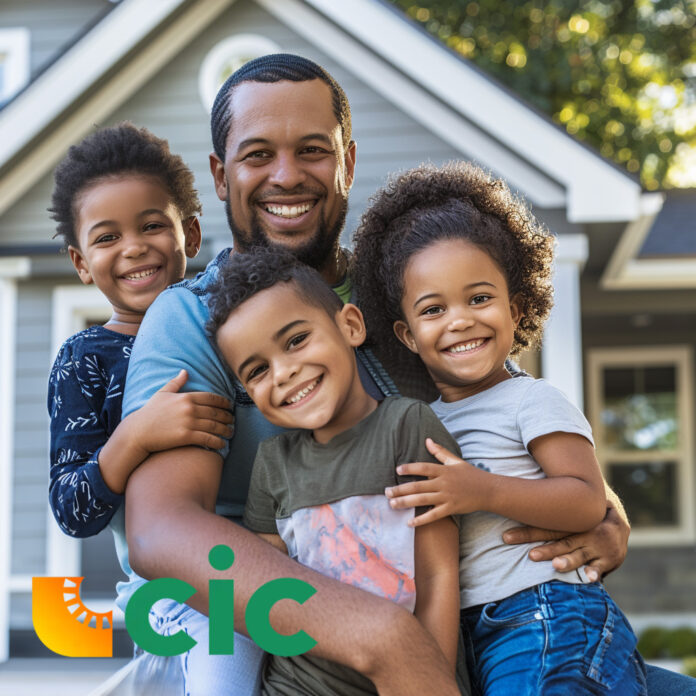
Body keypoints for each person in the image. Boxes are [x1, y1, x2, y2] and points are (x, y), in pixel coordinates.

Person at [120, 53, 654, 694]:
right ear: (219, 174)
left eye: (312, 150)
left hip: (467, 616)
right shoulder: (193, 316)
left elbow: (509, 415)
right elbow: (161, 531)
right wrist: (378, 636)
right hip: (281, 641)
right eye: (258, 155)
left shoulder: (410, 300)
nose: (286, 176)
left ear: (346, 161)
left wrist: (604, 513)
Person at [351, 161, 647, 694]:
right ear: (408, 335)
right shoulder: (420, 421)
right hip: (468, 631)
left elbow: (585, 502)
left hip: (546, 615)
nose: (460, 319)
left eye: (480, 298)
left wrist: (481, 489)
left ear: (515, 308)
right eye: (434, 309)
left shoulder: (531, 400)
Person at [206, 247, 463, 695]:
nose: (283, 372)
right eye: (258, 370)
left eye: (296, 340)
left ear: (350, 325)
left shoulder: (407, 426)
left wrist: (428, 675)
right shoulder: (273, 463)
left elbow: (439, 576)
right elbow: (265, 588)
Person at [46, 123, 237, 688]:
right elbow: (71, 509)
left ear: (192, 233)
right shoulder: (86, 358)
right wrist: (135, 435)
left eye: (153, 225)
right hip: (170, 592)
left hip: (257, 555)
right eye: (107, 238)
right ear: (82, 263)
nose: (133, 247)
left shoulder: (230, 326)